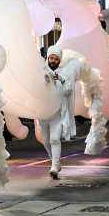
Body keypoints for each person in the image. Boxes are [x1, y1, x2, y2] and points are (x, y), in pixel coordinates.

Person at [40, 46, 77, 180]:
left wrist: (61, 79)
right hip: (44, 113)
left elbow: (68, 91)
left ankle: (55, 167)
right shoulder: (41, 71)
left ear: (59, 60)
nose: (53, 61)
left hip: (57, 113)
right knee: (46, 141)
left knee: (54, 139)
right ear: (48, 58)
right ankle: (55, 162)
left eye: (56, 59)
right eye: (51, 58)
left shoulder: (63, 73)